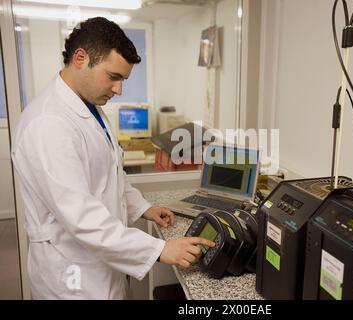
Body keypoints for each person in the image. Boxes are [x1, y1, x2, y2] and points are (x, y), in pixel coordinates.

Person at [11, 17, 214, 299]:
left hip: (99, 265)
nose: (119, 90)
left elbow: (108, 176)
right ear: (80, 59)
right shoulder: (48, 124)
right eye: (114, 77)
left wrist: (143, 208)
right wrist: (160, 249)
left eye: (123, 79)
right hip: (72, 277)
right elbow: (81, 217)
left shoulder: (89, 108)